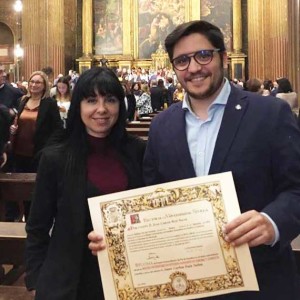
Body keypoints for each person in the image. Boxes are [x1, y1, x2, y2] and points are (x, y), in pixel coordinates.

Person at [89, 20, 300, 300]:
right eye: (182, 60)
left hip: (261, 281)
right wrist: (118, 238)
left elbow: (296, 188)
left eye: (203, 55)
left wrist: (271, 222)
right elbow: (152, 203)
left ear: (223, 57)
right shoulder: (162, 126)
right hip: (184, 286)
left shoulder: (270, 114)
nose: (193, 68)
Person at [25, 67, 145, 300]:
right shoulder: (55, 157)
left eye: (110, 100)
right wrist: (36, 279)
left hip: (128, 275)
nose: (101, 109)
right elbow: (38, 226)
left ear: (120, 105)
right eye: (91, 100)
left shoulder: (138, 151)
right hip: (69, 278)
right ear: (78, 105)